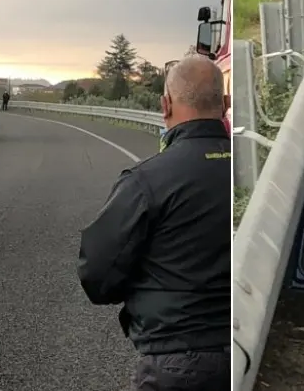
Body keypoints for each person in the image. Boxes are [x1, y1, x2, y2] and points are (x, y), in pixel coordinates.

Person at [77, 55, 231, 391]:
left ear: (165, 105)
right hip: (252, 341)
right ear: (226, 104)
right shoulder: (255, 165)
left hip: (176, 358)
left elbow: (98, 276)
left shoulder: (146, 181)